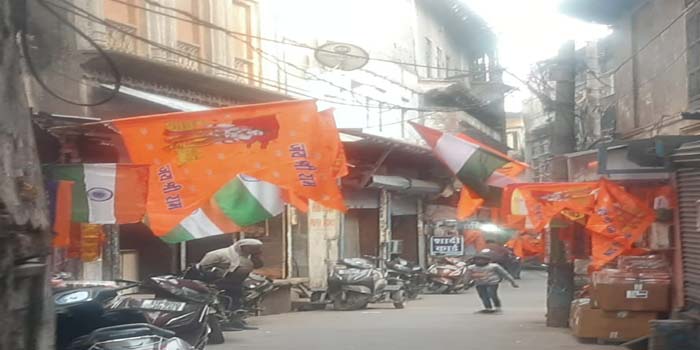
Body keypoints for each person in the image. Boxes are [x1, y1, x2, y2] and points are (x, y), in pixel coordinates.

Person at [198, 238, 264, 330]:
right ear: (244, 247)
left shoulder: (248, 256)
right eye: (254, 248)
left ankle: (236, 321)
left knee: (237, 302)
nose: (256, 251)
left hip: (237, 282)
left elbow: (258, 265)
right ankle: (223, 323)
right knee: (224, 303)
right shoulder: (219, 254)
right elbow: (201, 268)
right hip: (219, 283)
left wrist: (257, 256)